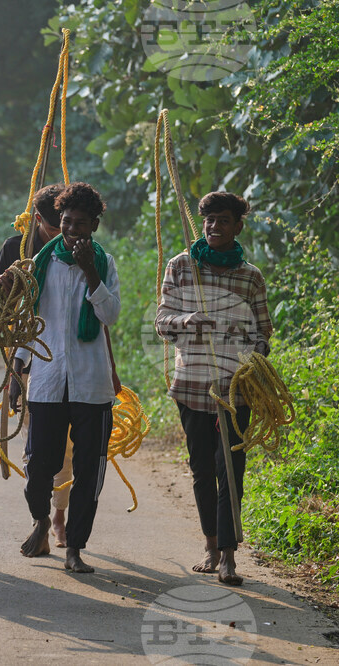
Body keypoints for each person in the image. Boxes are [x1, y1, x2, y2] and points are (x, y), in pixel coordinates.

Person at [0, 182, 120, 574]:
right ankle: (40, 521)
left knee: (89, 470)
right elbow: (29, 323)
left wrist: (90, 273)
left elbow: (109, 315)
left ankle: (75, 548)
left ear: (94, 226)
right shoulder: (40, 263)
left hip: (92, 385)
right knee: (39, 465)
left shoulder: (104, 264)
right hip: (47, 380)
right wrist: (17, 372)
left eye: (80, 224)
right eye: (66, 222)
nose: (71, 230)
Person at [155, 191, 271, 586]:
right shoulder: (182, 266)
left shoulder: (250, 277)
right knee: (202, 469)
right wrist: (186, 320)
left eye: (223, 220)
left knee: (231, 470)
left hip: (235, 390)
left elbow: (263, 332)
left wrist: (254, 356)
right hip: (191, 385)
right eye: (209, 220)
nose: (214, 227)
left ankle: (229, 556)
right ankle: (210, 546)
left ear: (238, 226)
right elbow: (162, 321)